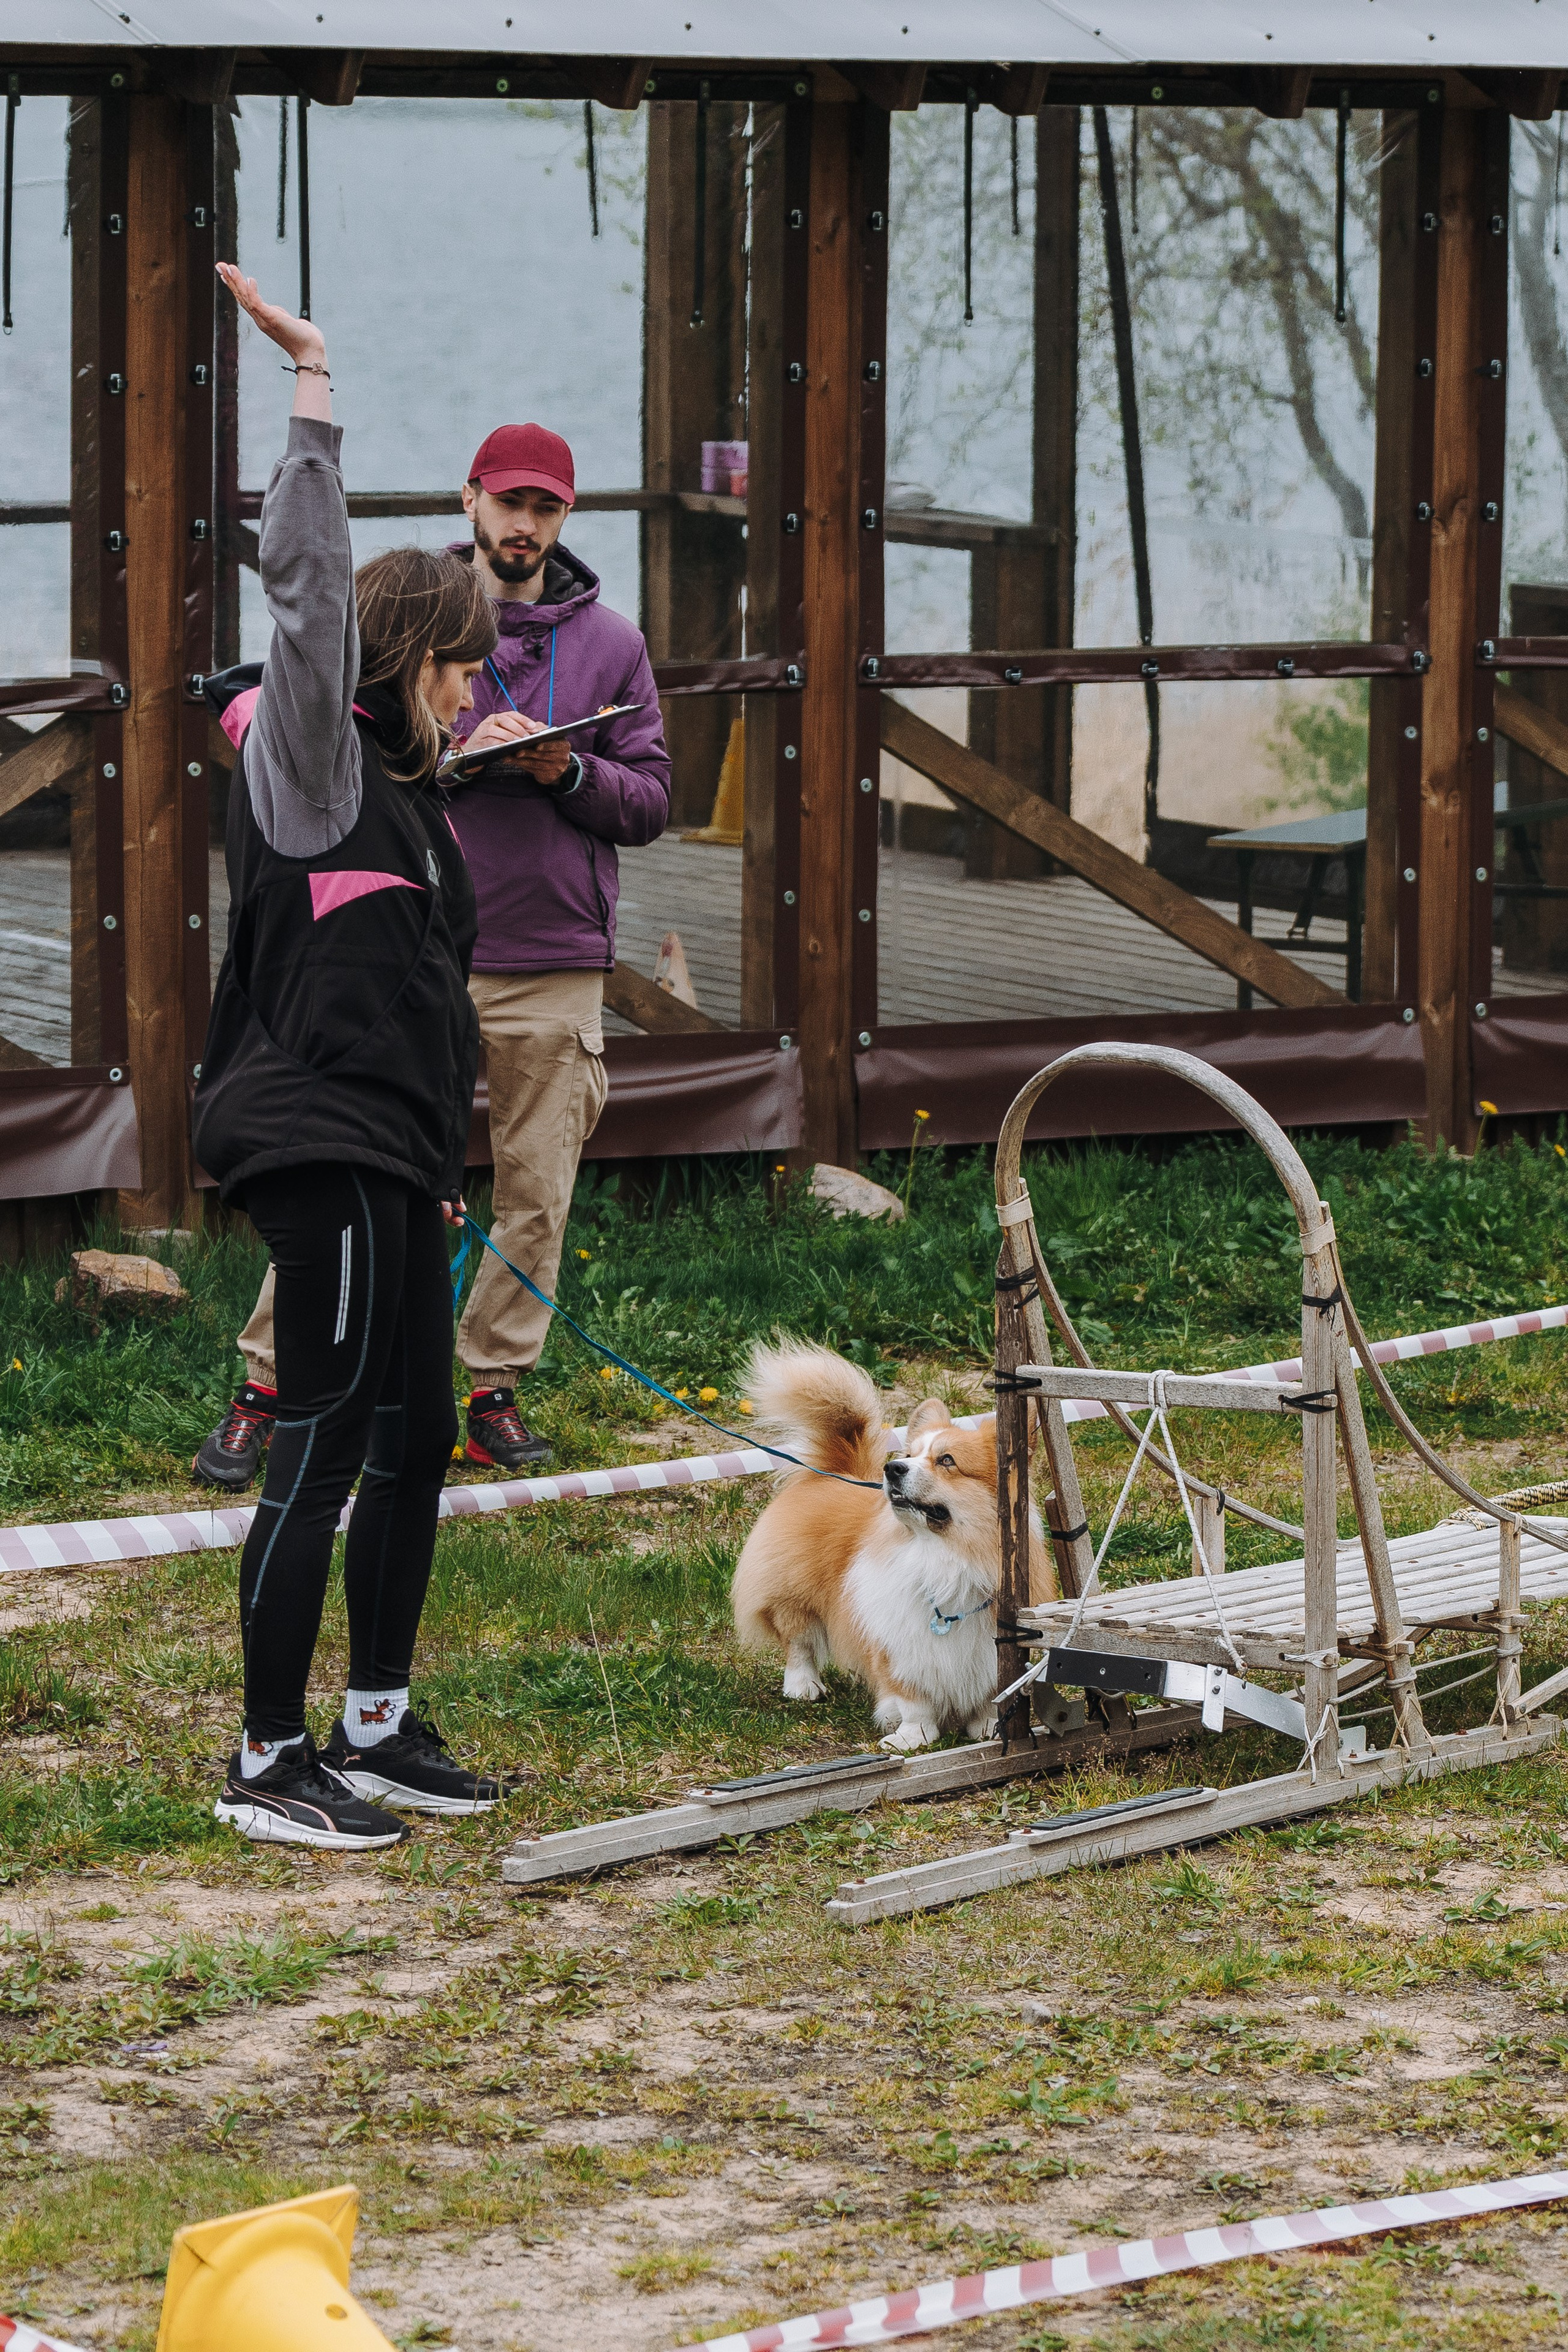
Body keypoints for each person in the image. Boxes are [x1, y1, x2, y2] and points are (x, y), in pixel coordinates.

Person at [193, 423, 672, 1491]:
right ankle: (269, 1383)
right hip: (412, 953)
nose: (523, 524)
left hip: (554, 954)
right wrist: (449, 756)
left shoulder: (616, 645)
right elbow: (336, 741)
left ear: (565, 518)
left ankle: (491, 1391)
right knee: (352, 1168)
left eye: (545, 508)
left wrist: (565, 772)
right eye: (508, 503)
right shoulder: (407, 611)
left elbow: (650, 798)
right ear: (469, 501)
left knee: (537, 1189)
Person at [197, 263, 504, 1849]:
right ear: (405, 667)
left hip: (392, 1155)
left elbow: (423, 1002)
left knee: (412, 1435)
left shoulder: (414, 804)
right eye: (462, 666)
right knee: (315, 1442)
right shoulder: (315, 767)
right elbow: (307, 595)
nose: (477, 691)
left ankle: (373, 1723)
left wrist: (447, 1177)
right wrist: (313, 395)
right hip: (307, 1138)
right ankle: (266, 1760)